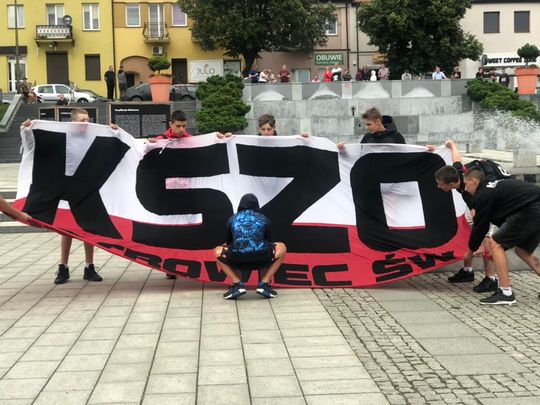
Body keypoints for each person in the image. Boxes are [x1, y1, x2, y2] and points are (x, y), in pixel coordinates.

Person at [23, 108, 110, 284]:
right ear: (73, 122)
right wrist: (27, 130)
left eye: (88, 120)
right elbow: (35, 145)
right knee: (66, 229)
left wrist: (113, 132)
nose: (86, 123)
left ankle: (89, 266)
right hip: (63, 185)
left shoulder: (92, 136)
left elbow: (109, 146)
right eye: (82, 120)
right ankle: (63, 267)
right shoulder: (62, 135)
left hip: (84, 187)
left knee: (88, 227)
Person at [463, 169, 540, 305]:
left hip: (532, 208)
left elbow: (480, 227)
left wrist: (471, 250)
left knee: (496, 243)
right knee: (522, 251)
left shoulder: (482, 194)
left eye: (466, 184)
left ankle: (506, 293)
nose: (465, 189)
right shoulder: (491, 186)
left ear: (473, 181)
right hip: (534, 207)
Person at [433, 140, 500, 292]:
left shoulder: (471, 195)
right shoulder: (457, 172)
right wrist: (451, 145)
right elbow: (457, 159)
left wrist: (480, 244)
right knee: (468, 222)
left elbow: (480, 221)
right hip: (481, 206)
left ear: (451, 184)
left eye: (440, 184)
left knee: (487, 240)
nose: (438, 186)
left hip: (490, 206)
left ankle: (491, 279)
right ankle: (468, 271)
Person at [215, 193, 287, 299]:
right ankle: (264, 284)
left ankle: (237, 284)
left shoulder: (232, 219)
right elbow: (268, 241)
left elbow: (229, 242)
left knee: (219, 250)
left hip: (237, 259)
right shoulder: (264, 218)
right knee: (281, 246)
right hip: (262, 258)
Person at [337, 107, 404, 149]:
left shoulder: (396, 136)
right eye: (365, 125)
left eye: (369, 124)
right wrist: (344, 150)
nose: (366, 128)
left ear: (378, 121)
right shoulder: (367, 138)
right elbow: (358, 156)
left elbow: (405, 157)